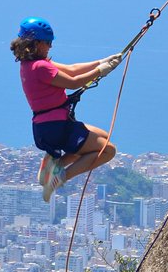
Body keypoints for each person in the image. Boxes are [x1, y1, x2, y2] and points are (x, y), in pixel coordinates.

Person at [11, 17, 123, 202]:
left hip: (48, 126)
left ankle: (53, 165)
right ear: (36, 43)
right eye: (48, 42)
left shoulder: (30, 64)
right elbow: (73, 82)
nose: (50, 46)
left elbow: (72, 69)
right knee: (108, 150)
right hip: (57, 127)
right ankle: (58, 178)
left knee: (104, 137)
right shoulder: (41, 67)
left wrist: (102, 62)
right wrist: (100, 71)